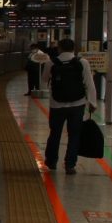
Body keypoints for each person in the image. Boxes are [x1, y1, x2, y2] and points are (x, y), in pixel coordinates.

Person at [44, 37, 97, 174]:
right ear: (74, 49)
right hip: (77, 105)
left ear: (59, 48)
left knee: (55, 133)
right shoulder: (82, 62)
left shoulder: (51, 62)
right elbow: (89, 83)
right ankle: (70, 165)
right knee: (74, 135)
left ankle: (51, 162)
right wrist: (92, 102)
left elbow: (44, 80)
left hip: (56, 105)